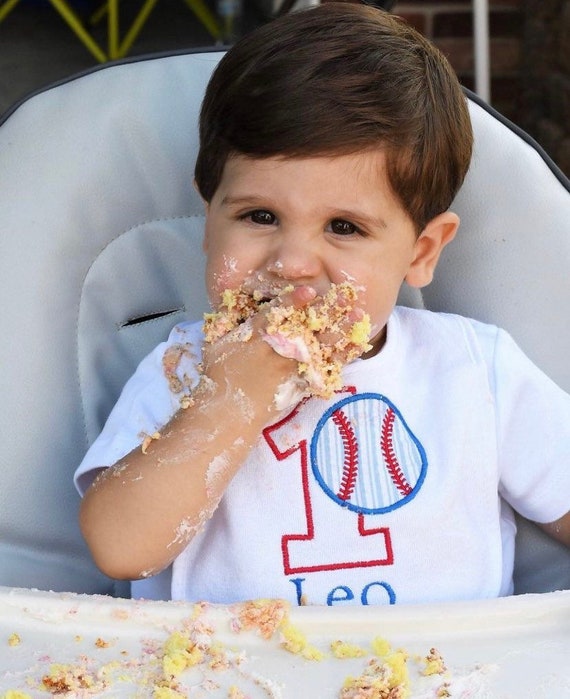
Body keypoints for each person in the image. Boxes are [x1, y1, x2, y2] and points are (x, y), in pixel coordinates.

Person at [75, 2, 570, 606]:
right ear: (208, 224)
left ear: (421, 251)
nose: (292, 262)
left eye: (344, 227)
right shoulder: (182, 370)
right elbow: (120, 549)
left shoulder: (474, 371)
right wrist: (230, 395)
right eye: (260, 216)